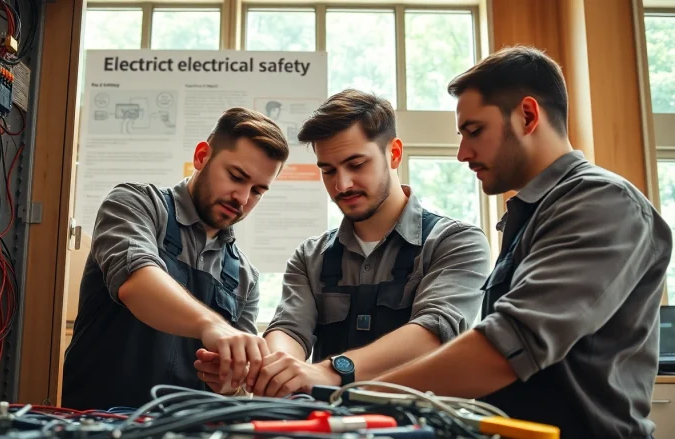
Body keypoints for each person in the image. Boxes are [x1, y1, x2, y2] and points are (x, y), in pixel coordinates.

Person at [372, 46, 673, 439]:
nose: (463, 153)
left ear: (528, 116)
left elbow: (504, 349)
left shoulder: (603, 202)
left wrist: (363, 396)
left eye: (474, 131)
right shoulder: (536, 212)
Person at [194, 89, 492, 397]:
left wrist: (331, 370)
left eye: (356, 164)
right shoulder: (310, 257)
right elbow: (289, 330)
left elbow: (433, 332)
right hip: (329, 421)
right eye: (328, 170)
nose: (342, 184)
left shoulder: (457, 243)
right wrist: (269, 369)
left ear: (394, 153)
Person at [61, 108, 290, 410]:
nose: (243, 198)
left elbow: (238, 385)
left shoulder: (245, 278)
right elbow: (137, 282)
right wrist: (211, 324)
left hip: (186, 427)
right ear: (202, 156)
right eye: (236, 177)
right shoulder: (134, 205)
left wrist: (230, 384)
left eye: (258, 191)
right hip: (98, 421)